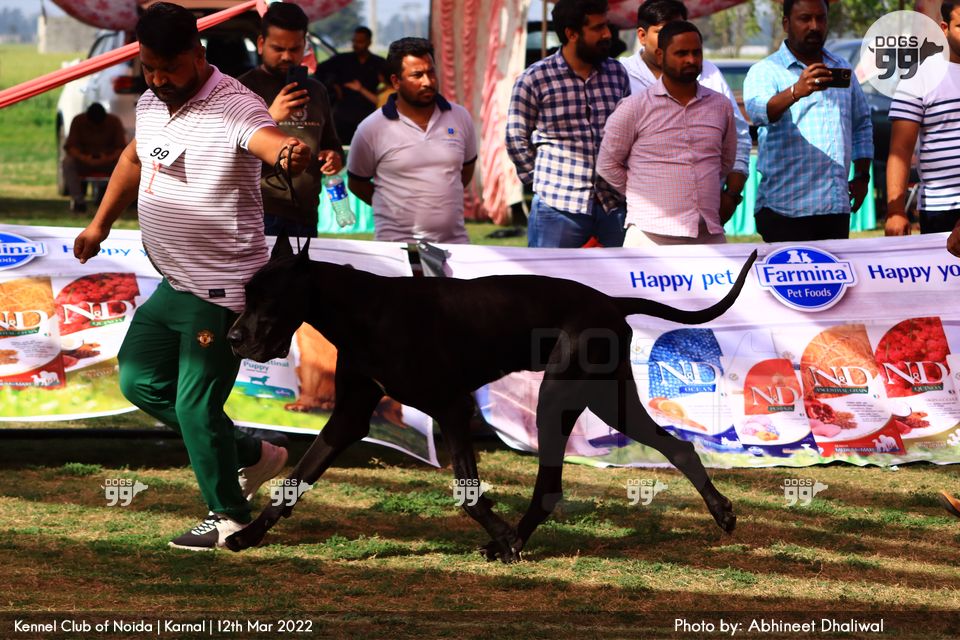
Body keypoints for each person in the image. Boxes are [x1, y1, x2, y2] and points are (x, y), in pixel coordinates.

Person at [72, 2, 313, 551]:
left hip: (221, 289)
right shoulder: (152, 101)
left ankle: (229, 517)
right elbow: (134, 159)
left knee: (194, 406)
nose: (159, 79)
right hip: (175, 283)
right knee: (138, 381)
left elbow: (266, 139)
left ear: (198, 54)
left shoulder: (234, 105)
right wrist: (99, 224)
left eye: (170, 68)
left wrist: (289, 153)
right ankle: (252, 454)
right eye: (149, 68)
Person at [743, 0, 873, 242]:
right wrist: (795, 91)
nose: (814, 26)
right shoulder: (766, 70)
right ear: (786, 24)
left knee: (833, 269)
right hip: (785, 209)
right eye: (805, 19)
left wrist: (862, 176)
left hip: (834, 207)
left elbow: (861, 124)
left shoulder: (840, 67)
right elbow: (759, 112)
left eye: (820, 18)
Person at [597, 21, 738, 246]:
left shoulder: (720, 106)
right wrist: (642, 191)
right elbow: (607, 164)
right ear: (660, 55)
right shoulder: (635, 107)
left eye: (696, 52)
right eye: (681, 53)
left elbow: (726, 160)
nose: (691, 60)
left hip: (707, 234)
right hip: (649, 237)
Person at [506, 0, 631, 248]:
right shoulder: (535, 78)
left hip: (612, 204)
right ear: (572, 34)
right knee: (550, 274)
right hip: (557, 207)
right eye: (598, 28)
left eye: (606, 26)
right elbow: (515, 138)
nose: (607, 34)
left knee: (619, 274)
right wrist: (541, 181)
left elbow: (628, 133)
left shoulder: (617, 73)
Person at [346, 37, 477, 244]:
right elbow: (357, 183)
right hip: (396, 246)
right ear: (396, 81)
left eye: (431, 72)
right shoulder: (371, 128)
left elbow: (465, 172)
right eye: (417, 75)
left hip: (454, 244)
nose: (428, 82)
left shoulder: (460, 117)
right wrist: (391, 208)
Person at [619, 0, 749, 204]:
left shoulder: (708, 72)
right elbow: (609, 157)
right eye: (663, 32)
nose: (673, 40)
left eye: (679, 30)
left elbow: (737, 136)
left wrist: (731, 196)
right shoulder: (621, 75)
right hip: (642, 209)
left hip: (705, 207)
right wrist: (635, 198)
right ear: (642, 36)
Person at [238, 2, 343, 238]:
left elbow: (332, 144)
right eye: (278, 48)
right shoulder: (241, 89)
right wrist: (270, 117)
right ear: (261, 44)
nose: (287, 56)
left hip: (305, 214)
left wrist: (333, 157)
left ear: (304, 45)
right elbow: (225, 153)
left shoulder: (317, 91)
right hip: (257, 213)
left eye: (295, 49)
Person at [887, 1, 960, 238]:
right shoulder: (919, 77)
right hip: (941, 208)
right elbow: (900, 150)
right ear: (944, 28)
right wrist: (895, 211)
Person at [315, 26, 387, 144]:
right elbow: (319, 70)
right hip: (343, 114)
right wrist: (333, 86)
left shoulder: (379, 62)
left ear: (369, 42)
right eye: (354, 41)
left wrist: (380, 92)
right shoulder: (342, 59)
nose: (356, 45)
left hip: (368, 114)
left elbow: (392, 83)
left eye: (360, 41)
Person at [62, 102, 126, 213]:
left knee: (126, 164)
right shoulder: (78, 121)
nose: (96, 128)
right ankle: (78, 201)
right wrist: (84, 158)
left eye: (99, 125)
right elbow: (71, 147)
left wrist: (107, 158)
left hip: (108, 162)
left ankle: (117, 201)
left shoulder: (114, 122)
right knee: (67, 162)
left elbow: (122, 148)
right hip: (84, 161)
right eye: (93, 125)